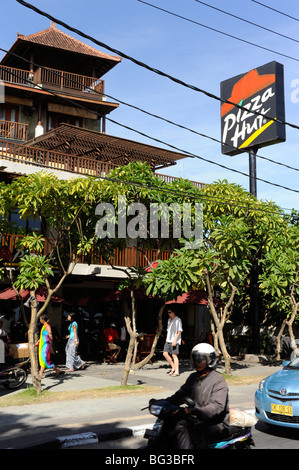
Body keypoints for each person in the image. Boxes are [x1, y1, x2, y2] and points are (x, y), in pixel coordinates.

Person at [164, 343, 230, 449]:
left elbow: (217, 405)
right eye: (195, 359)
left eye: (201, 359)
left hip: (214, 421)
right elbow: (180, 394)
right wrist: (164, 402)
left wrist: (195, 411)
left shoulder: (218, 380)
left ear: (211, 360)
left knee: (186, 429)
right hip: (196, 418)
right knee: (170, 423)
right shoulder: (193, 377)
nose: (197, 362)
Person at [36, 314, 61, 378]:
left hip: (46, 345)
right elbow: (43, 336)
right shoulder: (44, 326)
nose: (40, 320)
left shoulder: (47, 326)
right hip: (42, 345)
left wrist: (51, 346)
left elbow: (50, 335)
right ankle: (57, 370)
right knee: (43, 359)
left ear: (43, 320)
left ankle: (41, 373)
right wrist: (38, 342)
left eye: (40, 319)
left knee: (44, 358)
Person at [163, 306, 183, 376]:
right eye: (168, 312)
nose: (169, 314)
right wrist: (166, 338)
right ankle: (173, 366)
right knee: (165, 353)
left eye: (170, 312)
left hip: (174, 340)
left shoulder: (178, 320)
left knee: (174, 355)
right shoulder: (169, 320)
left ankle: (176, 371)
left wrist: (175, 340)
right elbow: (168, 330)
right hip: (168, 339)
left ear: (173, 312)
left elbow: (179, 331)